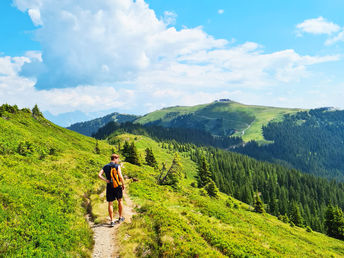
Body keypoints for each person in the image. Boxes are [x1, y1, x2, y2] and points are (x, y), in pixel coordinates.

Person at [98, 154, 125, 227]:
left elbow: (99, 175)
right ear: (115, 158)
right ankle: (120, 217)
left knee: (110, 203)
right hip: (117, 185)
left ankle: (112, 220)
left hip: (109, 186)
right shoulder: (117, 166)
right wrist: (123, 184)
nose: (118, 160)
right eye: (118, 159)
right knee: (120, 200)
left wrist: (106, 180)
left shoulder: (105, 166)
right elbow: (120, 175)